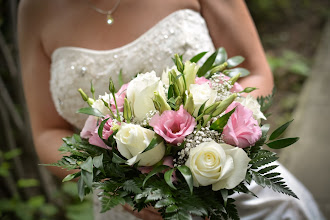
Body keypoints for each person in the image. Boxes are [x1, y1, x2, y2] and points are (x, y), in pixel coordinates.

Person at [17, 0, 324, 219]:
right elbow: (46, 131)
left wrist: (215, 137)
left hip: (230, 186)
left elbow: (255, 72)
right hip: (131, 210)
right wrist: (117, 182)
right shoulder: (34, 9)